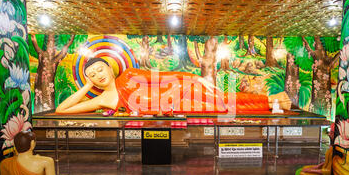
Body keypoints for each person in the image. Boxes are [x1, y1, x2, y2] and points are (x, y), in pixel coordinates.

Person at [56, 57, 280, 115]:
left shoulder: (129, 75)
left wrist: (195, 78)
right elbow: (61, 110)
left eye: (99, 70)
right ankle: (269, 104)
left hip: (182, 90)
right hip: (178, 108)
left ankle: (270, 101)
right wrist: (86, 86)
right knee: (225, 108)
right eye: (92, 75)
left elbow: (163, 75)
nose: (98, 75)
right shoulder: (102, 99)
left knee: (225, 99)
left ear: (109, 67)